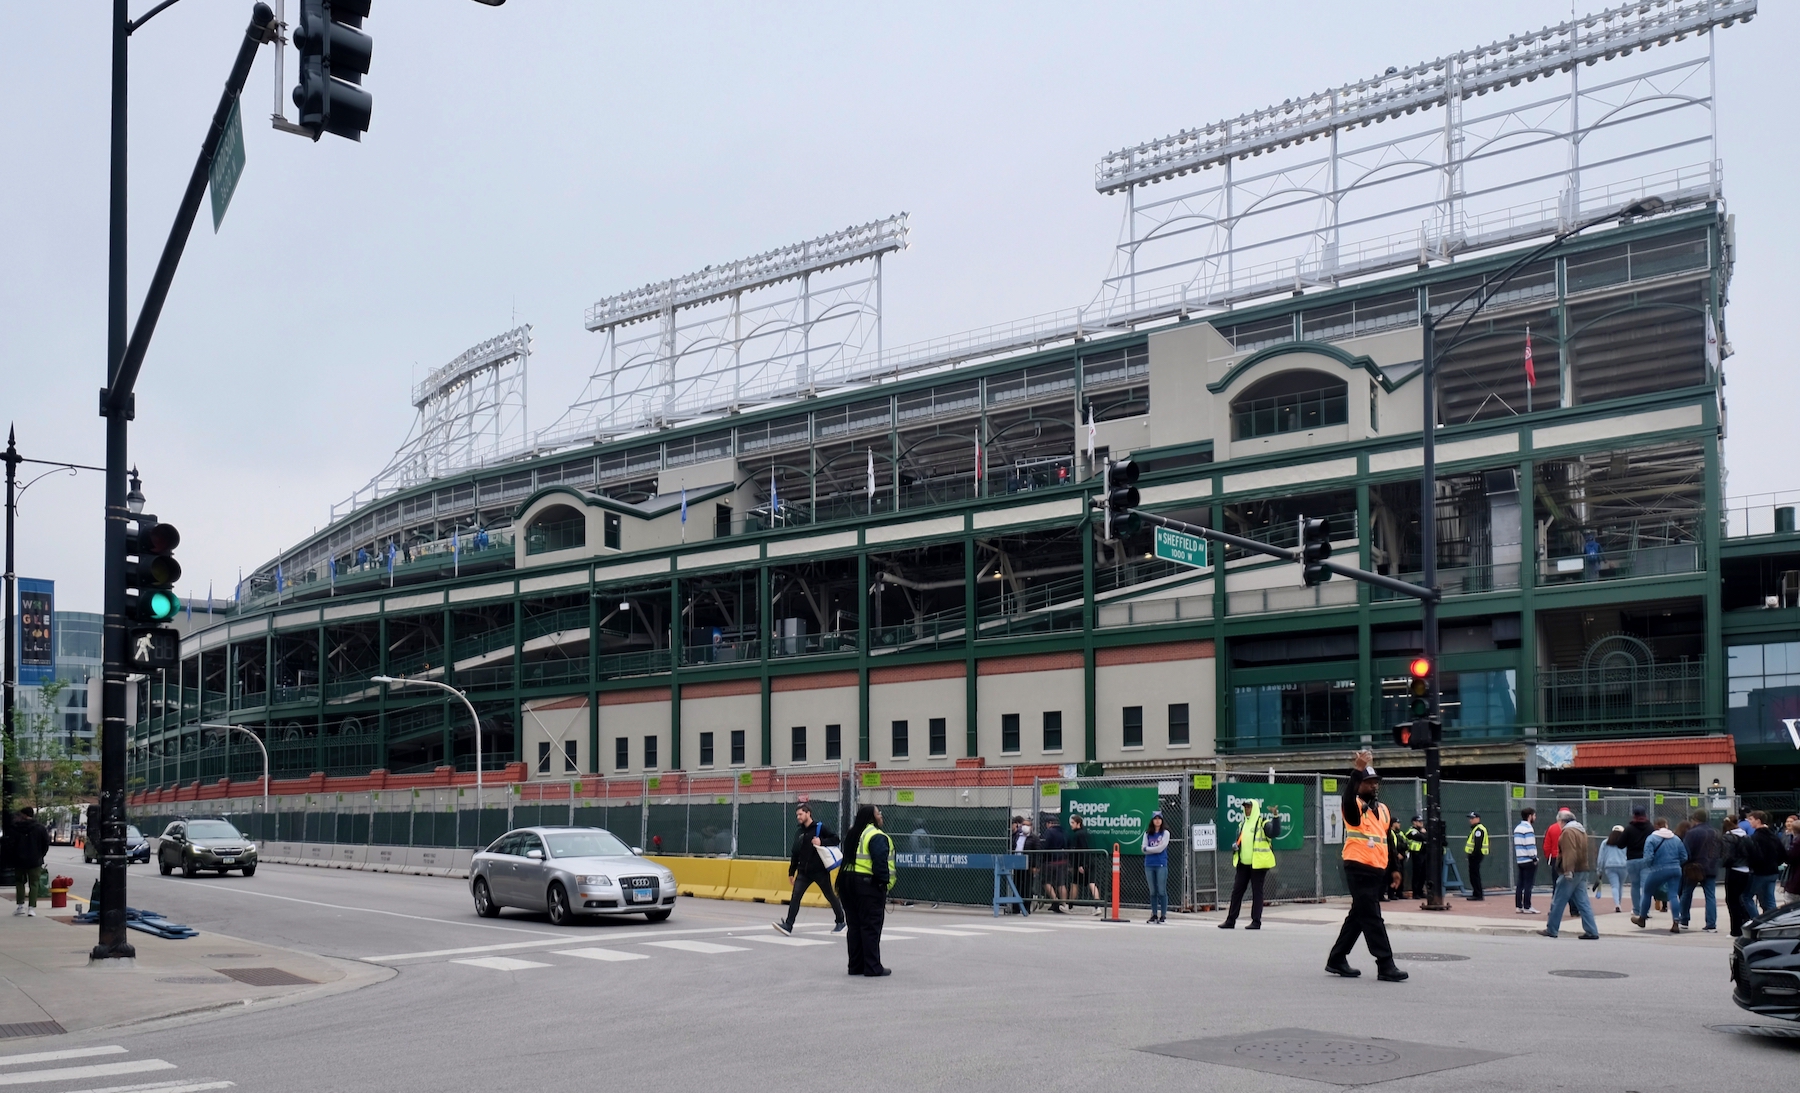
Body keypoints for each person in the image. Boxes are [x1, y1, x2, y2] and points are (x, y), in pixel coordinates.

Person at [1327, 751, 1407, 982]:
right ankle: (1385, 964)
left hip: (1377, 869)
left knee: (1359, 915)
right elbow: (1347, 799)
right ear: (1359, 785)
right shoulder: (1352, 807)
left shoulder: (1382, 810)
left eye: (1375, 782)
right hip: (1358, 866)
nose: (1374, 786)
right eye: (1368, 782)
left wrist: (1394, 868)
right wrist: (1356, 772)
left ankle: (1336, 958)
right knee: (1372, 916)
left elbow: (1387, 840)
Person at [838, 804, 894, 977]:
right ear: (872, 816)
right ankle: (872, 967)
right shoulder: (875, 835)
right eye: (878, 812)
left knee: (854, 926)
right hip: (866, 885)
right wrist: (882, 883)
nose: (881, 815)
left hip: (846, 882)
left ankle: (855, 966)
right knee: (870, 926)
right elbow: (880, 863)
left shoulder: (853, 833)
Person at [773, 803, 845, 937]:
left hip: (819, 871)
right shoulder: (799, 832)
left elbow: (836, 839)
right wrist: (791, 872)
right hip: (803, 872)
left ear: (808, 813)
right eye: (797, 815)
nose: (798, 817)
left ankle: (841, 921)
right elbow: (795, 852)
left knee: (829, 895)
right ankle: (788, 925)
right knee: (795, 897)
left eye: (800, 814)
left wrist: (821, 842)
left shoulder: (819, 827)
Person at [1536, 810, 1599, 940]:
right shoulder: (1581, 831)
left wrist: (1568, 870)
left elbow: (1570, 852)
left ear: (1561, 821)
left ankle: (1552, 929)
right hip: (1582, 869)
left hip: (1572, 871)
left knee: (1558, 901)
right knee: (1583, 902)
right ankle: (1591, 930)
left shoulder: (1568, 832)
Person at [1220, 796, 1278, 929]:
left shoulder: (1262, 822)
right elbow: (1239, 841)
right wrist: (1235, 846)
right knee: (1237, 891)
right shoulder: (1242, 824)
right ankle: (1230, 920)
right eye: (1245, 807)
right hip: (1243, 864)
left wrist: (1276, 817)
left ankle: (1256, 921)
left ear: (1255, 808)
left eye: (1249, 807)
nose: (1247, 809)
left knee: (1257, 892)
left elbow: (1274, 832)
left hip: (1258, 864)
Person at [1632, 818, 1686, 933]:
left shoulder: (1651, 838)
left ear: (1655, 826)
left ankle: (1642, 918)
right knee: (1673, 895)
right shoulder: (1676, 839)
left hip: (1658, 869)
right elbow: (1684, 856)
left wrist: (1650, 866)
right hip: (1676, 869)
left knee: (1647, 892)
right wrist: (1676, 864)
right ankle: (1676, 921)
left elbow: (1648, 858)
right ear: (1666, 825)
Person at [1679, 808, 1721, 932]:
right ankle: (1711, 924)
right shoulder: (1716, 832)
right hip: (1711, 866)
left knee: (1687, 893)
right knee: (1710, 896)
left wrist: (1685, 864)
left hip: (1694, 867)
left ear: (1695, 819)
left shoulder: (1692, 833)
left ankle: (1684, 920)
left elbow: (1685, 852)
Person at [8, 807, 50, 917]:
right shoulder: (40, 828)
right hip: (35, 860)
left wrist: (14, 856)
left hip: (19, 860)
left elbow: (11, 845)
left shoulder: (15, 828)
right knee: (34, 884)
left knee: (20, 882)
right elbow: (45, 843)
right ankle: (31, 908)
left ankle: (20, 906)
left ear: (24, 815)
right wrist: (40, 855)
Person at [1745, 811, 1784, 917]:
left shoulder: (1755, 837)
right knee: (1769, 899)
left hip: (1760, 872)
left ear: (1758, 821)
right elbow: (1782, 853)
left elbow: (1754, 855)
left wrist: (1752, 866)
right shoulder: (1774, 836)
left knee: (1746, 897)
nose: (1749, 822)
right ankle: (1773, 921)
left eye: (1751, 819)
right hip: (1773, 871)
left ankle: (1756, 920)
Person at [1721, 816, 1754, 937]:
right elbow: (1753, 853)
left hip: (1734, 870)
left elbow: (1727, 855)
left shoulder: (1728, 837)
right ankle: (1746, 921)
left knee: (1732, 900)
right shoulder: (1746, 836)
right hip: (1746, 870)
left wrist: (1724, 863)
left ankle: (1735, 930)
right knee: (1740, 899)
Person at [1068, 813, 1103, 916]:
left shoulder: (1078, 835)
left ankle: (1070, 906)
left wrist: (1081, 864)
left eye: (1073, 823)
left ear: (1078, 823)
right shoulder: (1088, 833)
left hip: (1082, 863)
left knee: (1075, 883)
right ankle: (1097, 906)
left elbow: (1082, 850)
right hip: (1090, 861)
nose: (1071, 825)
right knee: (1090, 883)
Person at [1622, 804, 1653, 915]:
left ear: (1634, 815)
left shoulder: (1629, 829)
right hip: (1645, 859)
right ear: (1645, 815)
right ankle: (1645, 910)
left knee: (1635, 885)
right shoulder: (1650, 828)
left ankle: (1636, 909)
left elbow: (1621, 844)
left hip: (1632, 859)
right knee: (1646, 886)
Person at [1142, 813, 1171, 924]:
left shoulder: (1165, 833)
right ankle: (1154, 914)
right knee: (1152, 891)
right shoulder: (1147, 834)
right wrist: (1151, 849)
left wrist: (1149, 849)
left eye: (1159, 819)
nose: (1157, 821)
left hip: (1161, 864)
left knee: (1161, 890)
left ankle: (1163, 915)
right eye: (1155, 819)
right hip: (1149, 864)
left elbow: (1161, 848)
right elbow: (1142, 848)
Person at [1513, 808, 1539, 914]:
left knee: (1520, 883)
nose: (1535, 817)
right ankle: (1527, 906)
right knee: (1529, 884)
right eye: (1534, 815)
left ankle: (1519, 906)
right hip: (1528, 859)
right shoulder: (1528, 829)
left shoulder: (1517, 828)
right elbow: (1530, 844)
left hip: (1520, 859)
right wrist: (1534, 858)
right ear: (1530, 816)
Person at [1597, 826, 1630, 913]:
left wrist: (1599, 870)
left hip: (1610, 866)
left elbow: (1601, 858)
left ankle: (1617, 904)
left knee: (1614, 886)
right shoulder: (1626, 842)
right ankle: (1619, 903)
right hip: (1623, 866)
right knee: (1620, 885)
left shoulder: (1605, 842)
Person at [1041, 814, 1069, 913]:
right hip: (1063, 860)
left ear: (1049, 823)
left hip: (1051, 860)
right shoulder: (1064, 831)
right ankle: (1064, 904)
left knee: (1046, 882)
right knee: (1061, 883)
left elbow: (1045, 845)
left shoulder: (1049, 832)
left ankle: (1055, 900)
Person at [1463, 812, 1490, 900]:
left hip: (1476, 855)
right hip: (1474, 855)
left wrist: (1473, 854)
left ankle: (1478, 894)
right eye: (1470, 818)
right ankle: (1476, 893)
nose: (1470, 820)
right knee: (1473, 874)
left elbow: (1477, 844)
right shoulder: (1475, 829)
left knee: (1474, 875)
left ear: (1478, 819)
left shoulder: (1479, 829)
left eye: (1472, 818)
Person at [1405, 816, 1427, 899]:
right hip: (1416, 854)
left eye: (1422, 821)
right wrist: (1424, 833)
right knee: (1417, 874)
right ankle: (1416, 892)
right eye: (1419, 821)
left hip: (1423, 854)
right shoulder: (1411, 831)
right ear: (1414, 822)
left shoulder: (1421, 830)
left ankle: (1420, 891)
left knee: (1423, 874)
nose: (1421, 823)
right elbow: (1421, 837)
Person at [1782, 815, 1800, 906]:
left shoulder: (1797, 842)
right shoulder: (1784, 835)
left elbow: (1791, 857)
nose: (1788, 823)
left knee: (1790, 902)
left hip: (1795, 877)